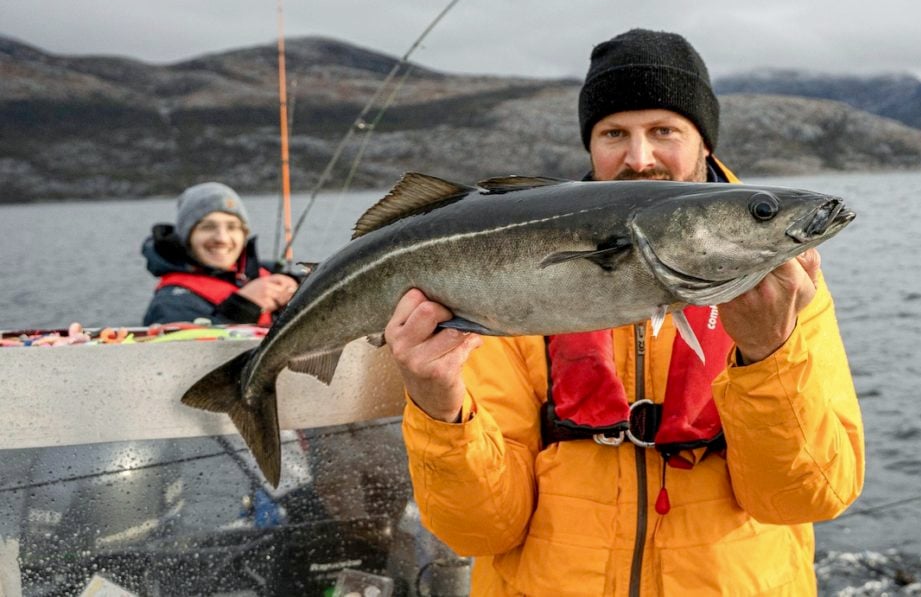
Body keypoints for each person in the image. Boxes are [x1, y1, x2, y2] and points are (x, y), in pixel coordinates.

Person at [383, 29, 865, 595]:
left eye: (664, 131)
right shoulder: (509, 267)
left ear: (704, 143)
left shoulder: (784, 284)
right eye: (614, 133)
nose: (639, 158)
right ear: (591, 145)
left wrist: (769, 355)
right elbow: (481, 530)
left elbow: (810, 496)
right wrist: (439, 409)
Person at [142, 181, 300, 326]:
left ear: (244, 235)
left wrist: (296, 287)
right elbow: (184, 354)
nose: (222, 238)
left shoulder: (263, 272)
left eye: (232, 227)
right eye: (208, 227)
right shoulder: (170, 304)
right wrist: (243, 308)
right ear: (187, 238)